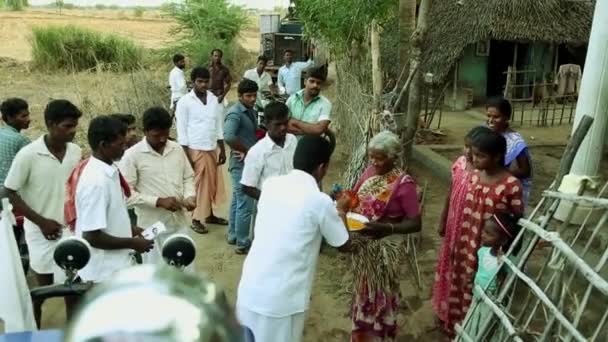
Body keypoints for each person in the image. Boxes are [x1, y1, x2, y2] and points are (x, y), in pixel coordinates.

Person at [236, 135, 352, 342]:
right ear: (322, 168)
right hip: (282, 299)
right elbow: (344, 244)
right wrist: (341, 211)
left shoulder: (271, 185)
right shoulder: (319, 200)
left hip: (251, 288)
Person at [4, 99, 82, 327]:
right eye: (67, 126)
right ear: (50, 124)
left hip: (68, 231)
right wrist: (41, 222)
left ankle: (71, 335)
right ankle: (33, 334)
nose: (73, 131)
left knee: (73, 290)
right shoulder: (28, 154)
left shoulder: (75, 152)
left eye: (74, 126)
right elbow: (8, 191)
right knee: (42, 293)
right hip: (40, 234)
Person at [339, 131, 421, 341]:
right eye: (371, 157)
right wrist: (343, 200)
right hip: (365, 245)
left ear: (394, 157)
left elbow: (415, 223)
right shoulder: (368, 173)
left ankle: (381, 334)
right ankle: (362, 333)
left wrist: (387, 228)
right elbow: (355, 199)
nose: (374, 162)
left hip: (387, 249)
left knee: (382, 292)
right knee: (364, 290)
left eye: (380, 158)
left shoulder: (404, 184)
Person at [445, 128, 523, 336]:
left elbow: (516, 221)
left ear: (497, 157)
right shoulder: (474, 177)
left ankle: (479, 327)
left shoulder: (510, 185)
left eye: (481, 155)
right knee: (462, 279)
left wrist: (505, 251)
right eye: (474, 154)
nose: (474, 159)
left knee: (484, 285)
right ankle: (460, 323)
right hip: (466, 240)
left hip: (490, 248)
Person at [75, 116, 154, 284]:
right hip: (103, 273)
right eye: (120, 145)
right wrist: (133, 243)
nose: (124, 149)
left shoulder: (109, 169)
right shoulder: (96, 182)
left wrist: (131, 229)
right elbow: (91, 236)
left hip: (117, 266)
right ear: (103, 145)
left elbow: (110, 215)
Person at [119, 107, 197, 268]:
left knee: (186, 273)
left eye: (165, 134)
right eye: (157, 135)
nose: (162, 139)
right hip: (152, 228)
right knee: (157, 276)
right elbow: (126, 195)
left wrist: (190, 196)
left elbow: (188, 176)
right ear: (145, 131)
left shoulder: (176, 148)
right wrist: (158, 201)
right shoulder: (132, 156)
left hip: (179, 223)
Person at [432, 126, 487, 325]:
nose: (467, 152)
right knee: (449, 265)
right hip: (453, 227)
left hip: (471, 233)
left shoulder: (484, 176)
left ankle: (462, 316)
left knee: (466, 270)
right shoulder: (460, 164)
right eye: (465, 147)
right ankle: (444, 307)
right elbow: (450, 191)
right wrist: (443, 219)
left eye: (472, 149)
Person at [176, 66, 227, 234]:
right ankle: (195, 218)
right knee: (199, 186)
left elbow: (218, 124)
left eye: (206, 81)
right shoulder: (185, 102)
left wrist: (222, 148)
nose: (204, 85)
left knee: (211, 184)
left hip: (212, 147)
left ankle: (209, 215)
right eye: (200, 81)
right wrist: (186, 156)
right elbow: (182, 131)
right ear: (193, 82)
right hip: (195, 149)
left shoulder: (213, 99)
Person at [465, 213, 522, 338]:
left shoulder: (507, 261)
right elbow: (481, 271)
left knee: (486, 330)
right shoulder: (483, 252)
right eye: (484, 231)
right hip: (477, 298)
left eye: (489, 234)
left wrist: (501, 266)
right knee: (473, 324)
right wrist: (472, 278)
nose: (483, 235)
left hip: (492, 303)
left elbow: (506, 284)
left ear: (503, 240)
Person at [224, 79, 259, 254]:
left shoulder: (249, 111)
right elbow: (228, 136)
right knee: (245, 204)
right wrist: (246, 151)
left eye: (254, 95)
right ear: (239, 96)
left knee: (238, 201)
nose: (253, 99)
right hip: (240, 165)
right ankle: (243, 242)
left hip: (244, 163)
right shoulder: (235, 113)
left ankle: (233, 235)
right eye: (249, 95)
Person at [241, 101, 297, 201]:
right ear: (267, 124)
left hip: (293, 200)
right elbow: (247, 187)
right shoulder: (257, 152)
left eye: (285, 123)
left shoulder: (292, 140)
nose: (283, 128)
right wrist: (270, 200)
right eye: (278, 124)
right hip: (270, 208)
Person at [486, 96, 532, 205]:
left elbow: (525, 171)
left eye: (496, 117)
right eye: (488, 116)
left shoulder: (515, 141)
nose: (491, 121)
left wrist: (498, 173)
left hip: (503, 190)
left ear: (506, 117)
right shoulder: (485, 131)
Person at [286, 66, 332, 138]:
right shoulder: (292, 99)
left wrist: (295, 122)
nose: (315, 85)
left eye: (318, 83)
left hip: (312, 146)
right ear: (305, 81)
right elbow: (285, 125)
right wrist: (310, 130)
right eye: (312, 81)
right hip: (291, 145)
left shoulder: (325, 104)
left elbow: (319, 129)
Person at [0, 98, 31, 188]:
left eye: (28, 115)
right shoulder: (21, 140)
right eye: (23, 116)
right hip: (9, 191)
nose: (29, 119)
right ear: (10, 118)